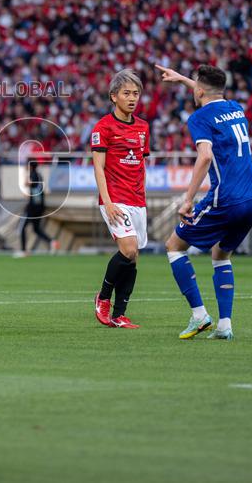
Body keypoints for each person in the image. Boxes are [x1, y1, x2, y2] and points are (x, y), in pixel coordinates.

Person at [156, 64, 252, 341]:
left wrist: (188, 199)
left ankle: (199, 315)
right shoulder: (236, 107)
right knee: (220, 254)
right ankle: (224, 325)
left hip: (226, 198)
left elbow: (204, 157)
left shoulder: (199, 118)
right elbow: (206, 91)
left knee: (174, 247)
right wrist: (182, 79)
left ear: (200, 90)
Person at [92, 70, 150, 329]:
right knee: (128, 249)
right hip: (115, 197)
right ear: (113, 96)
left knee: (133, 256)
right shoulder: (103, 127)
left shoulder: (143, 127)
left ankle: (119, 314)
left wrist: (143, 197)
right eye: (126, 93)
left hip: (137, 200)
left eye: (135, 93)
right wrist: (107, 201)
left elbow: (141, 165)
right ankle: (103, 298)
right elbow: (98, 166)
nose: (132, 98)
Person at [15, 160, 55, 257]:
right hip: (40, 206)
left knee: (22, 227)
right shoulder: (39, 175)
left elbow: (27, 184)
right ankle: (52, 242)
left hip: (33, 207)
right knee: (36, 229)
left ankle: (24, 251)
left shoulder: (32, 175)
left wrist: (25, 176)